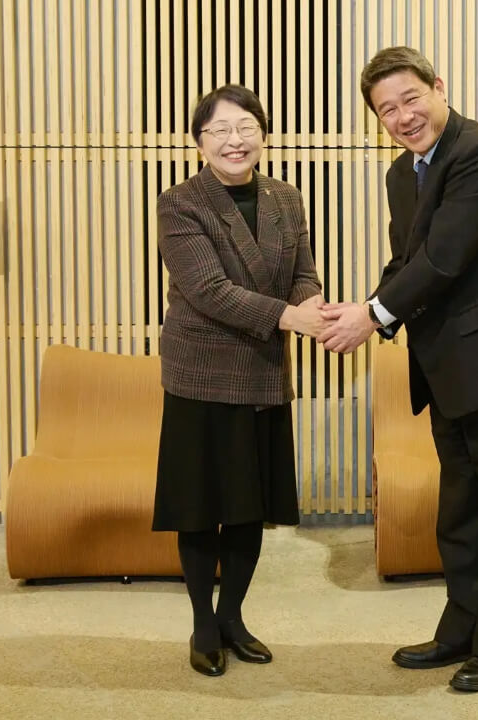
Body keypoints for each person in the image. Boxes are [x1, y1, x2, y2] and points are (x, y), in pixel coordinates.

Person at [319, 47, 478, 692]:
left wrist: (370, 317)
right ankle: (460, 629)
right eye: (386, 109)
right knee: (460, 512)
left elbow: (448, 257)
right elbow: (410, 264)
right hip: (449, 369)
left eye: (410, 98)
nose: (402, 116)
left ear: (439, 87)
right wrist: (360, 310)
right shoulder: (403, 174)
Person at [152, 84, 326, 677]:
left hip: (262, 370)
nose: (235, 139)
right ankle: (203, 622)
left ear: (263, 134)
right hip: (201, 372)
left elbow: (302, 272)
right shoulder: (180, 202)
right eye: (220, 129)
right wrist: (289, 317)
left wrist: (316, 305)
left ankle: (234, 616)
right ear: (198, 142)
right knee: (202, 508)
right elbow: (208, 290)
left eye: (246, 126)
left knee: (250, 508)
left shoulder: (285, 197)